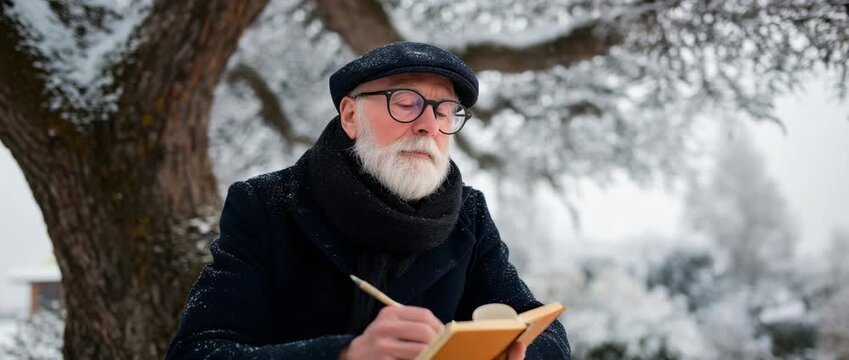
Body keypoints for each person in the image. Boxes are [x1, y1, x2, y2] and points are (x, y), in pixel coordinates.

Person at [167, 41, 571, 359]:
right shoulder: (265, 205)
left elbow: (544, 333)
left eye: (446, 111)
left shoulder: (470, 214)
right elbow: (198, 351)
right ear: (350, 116)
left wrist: (512, 355)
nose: (429, 125)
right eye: (406, 102)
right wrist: (345, 354)